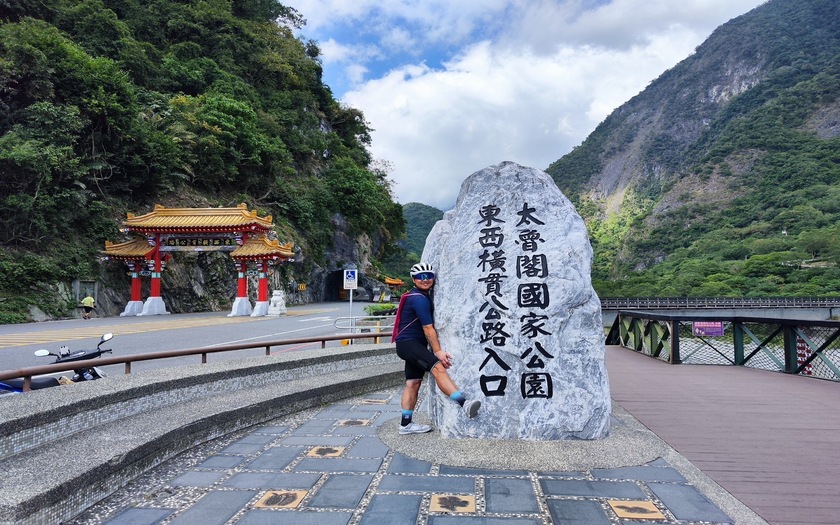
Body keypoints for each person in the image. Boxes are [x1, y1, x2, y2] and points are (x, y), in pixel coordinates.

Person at [392, 263, 481, 435]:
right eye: (420, 277)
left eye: (428, 276)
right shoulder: (419, 299)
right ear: (413, 279)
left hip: (407, 345)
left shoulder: (415, 295)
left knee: (413, 383)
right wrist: (438, 351)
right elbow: (428, 328)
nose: (425, 280)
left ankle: (406, 424)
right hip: (411, 344)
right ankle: (464, 403)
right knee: (438, 368)